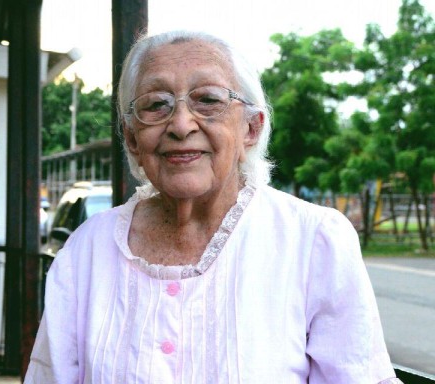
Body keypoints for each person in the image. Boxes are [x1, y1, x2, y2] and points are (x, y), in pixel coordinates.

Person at [25, 30, 401, 383]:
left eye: (208, 100)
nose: (181, 124)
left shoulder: (314, 241)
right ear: (132, 138)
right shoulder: (87, 251)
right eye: (156, 105)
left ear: (251, 129)